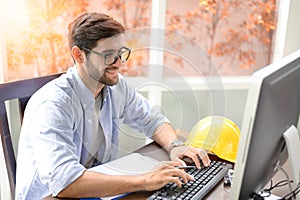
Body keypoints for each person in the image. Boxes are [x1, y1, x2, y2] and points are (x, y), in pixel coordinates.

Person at [15, 12, 211, 199]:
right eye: (109, 55)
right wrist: (144, 180)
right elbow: (65, 181)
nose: (118, 63)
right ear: (79, 54)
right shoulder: (53, 105)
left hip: (95, 190)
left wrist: (175, 146)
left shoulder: (116, 87)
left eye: (121, 53)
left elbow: (152, 120)